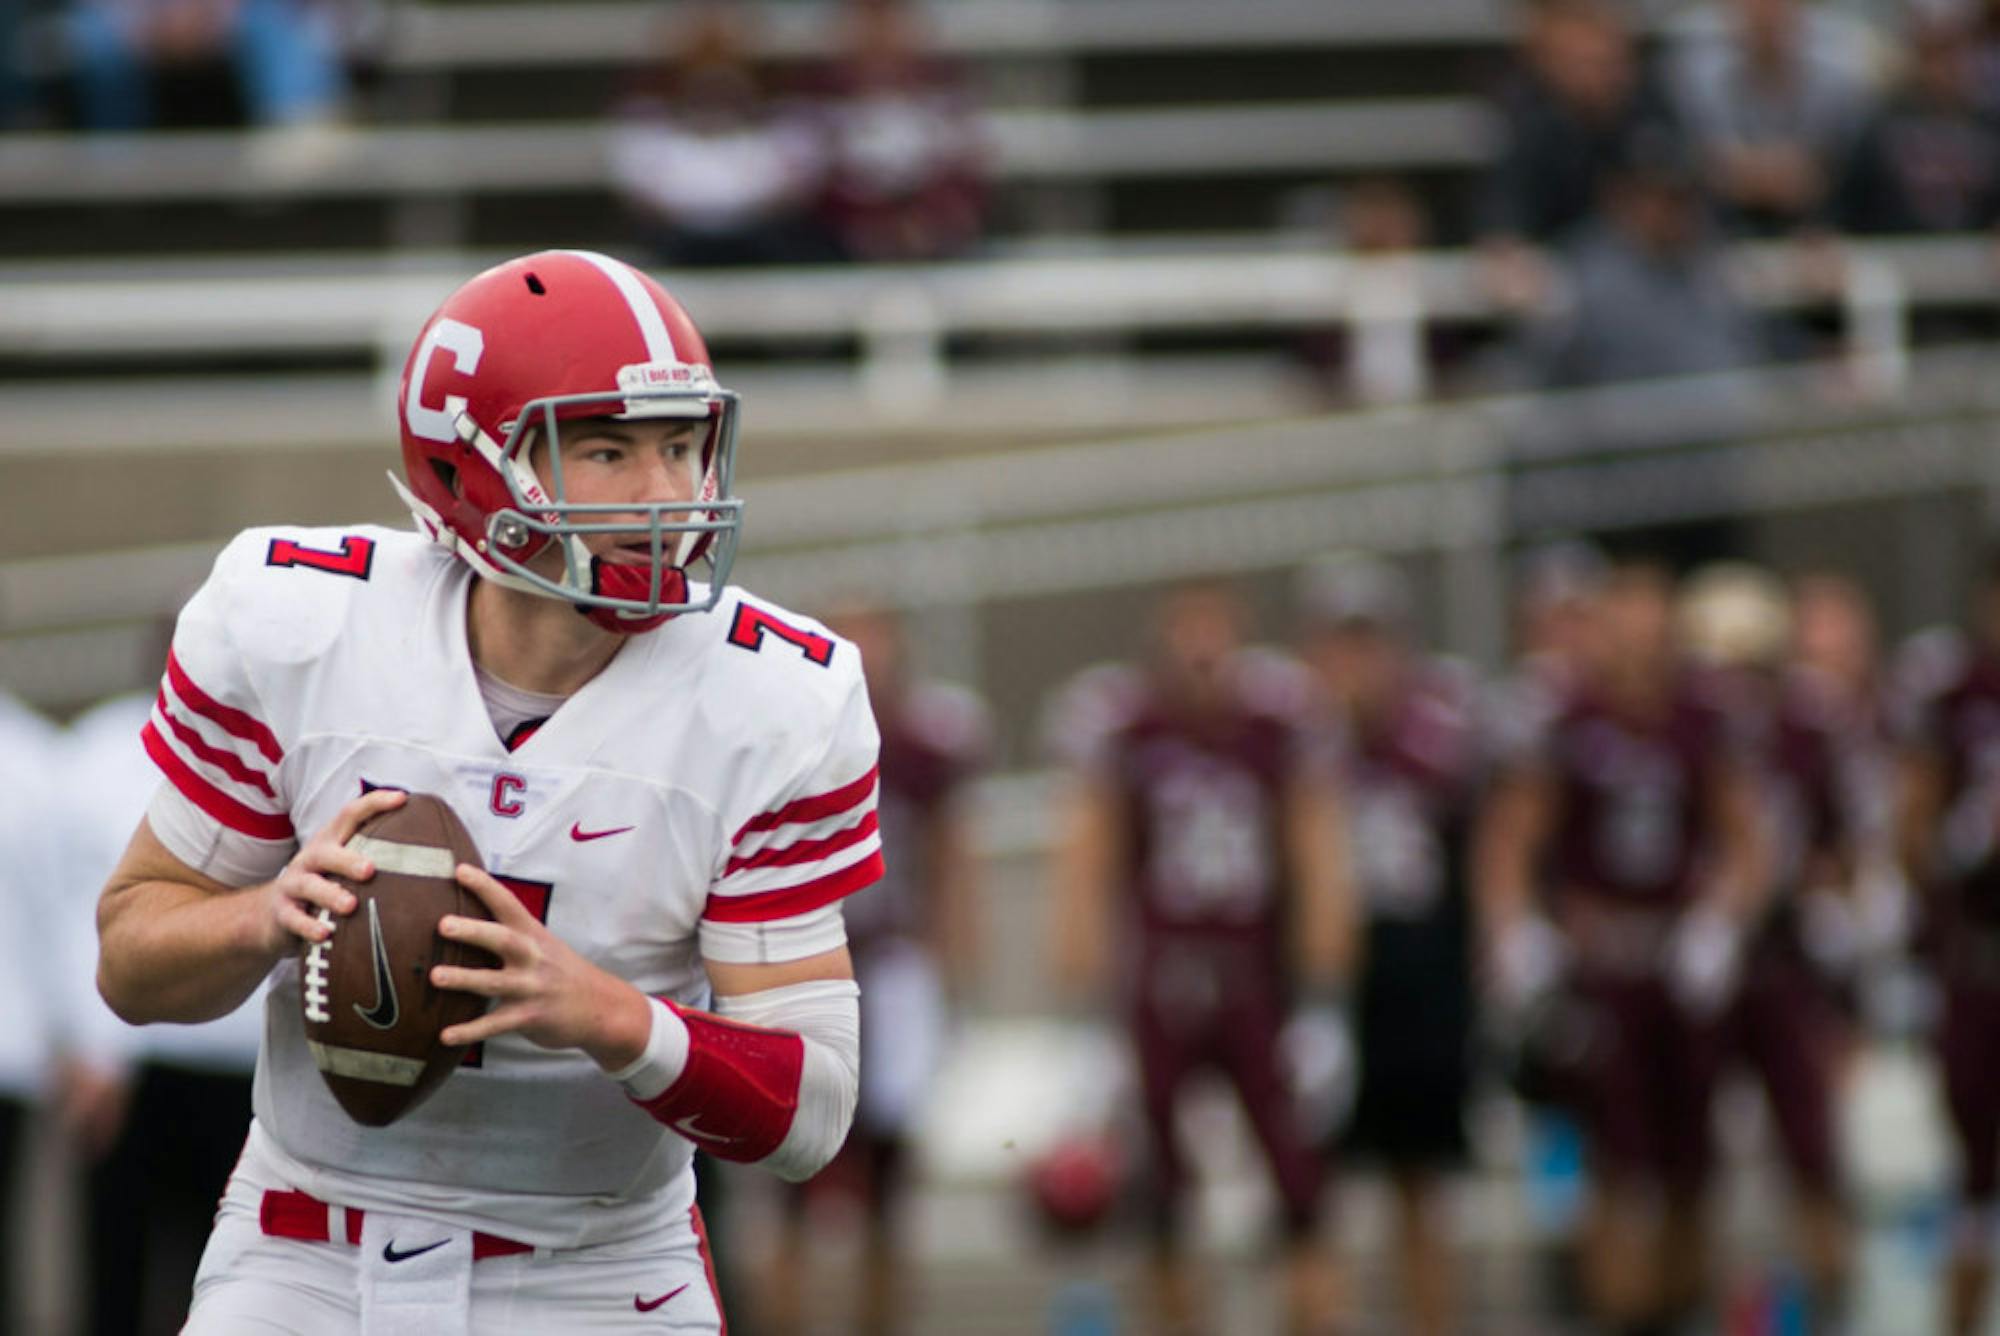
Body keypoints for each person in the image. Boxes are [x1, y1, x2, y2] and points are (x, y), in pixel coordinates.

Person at [92, 249, 881, 1333]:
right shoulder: (300, 626)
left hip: (597, 1273)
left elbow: (810, 1111)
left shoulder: (771, 699)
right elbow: (131, 962)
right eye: (607, 449)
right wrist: (263, 917)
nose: (667, 495)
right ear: (469, 471)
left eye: (681, 444)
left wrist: (608, 1014)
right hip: (303, 1247)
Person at [1047, 581, 1354, 1336]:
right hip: (1162, 980)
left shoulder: (1279, 725)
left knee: (1299, 1190)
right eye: (1188, 632)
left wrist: (1325, 1001)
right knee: (1160, 1198)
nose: (1202, 652)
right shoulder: (1126, 728)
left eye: (1215, 632)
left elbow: (1319, 858)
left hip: (1257, 981)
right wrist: (1086, 1013)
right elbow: (1087, 865)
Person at [1478, 556, 1767, 1335]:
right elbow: (1513, 834)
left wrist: (1722, 921)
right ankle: (1616, 1317)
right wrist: (1515, 933)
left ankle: (1681, 1311)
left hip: (1677, 961)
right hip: (1601, 964)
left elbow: (1744, 834)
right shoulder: (1567, 718)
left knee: (1689, 1167)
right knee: (1612, 1165)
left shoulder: (1703, 717)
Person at [766, 599, 988, 1335]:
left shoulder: (924, 745)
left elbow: (951, 858)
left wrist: (952, 965)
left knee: (891, 1175)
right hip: (809, 959)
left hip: (892, 968)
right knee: (793, 1169)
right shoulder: (787, 735)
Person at [1295, 555, 1482, 1336]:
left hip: (1418, 973)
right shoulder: (1292, 739)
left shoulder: (1439, 732)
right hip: (1325, 981)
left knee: (1420, 1182)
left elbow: (1480, 857)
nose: (1355, 665)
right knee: (1307, 1191)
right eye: (1341, 644)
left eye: (1368, 643)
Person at [1676, 563, 1856, 1331]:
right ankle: (1705, 1314)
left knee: (1814, 1158)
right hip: (1696, 970)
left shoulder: (1810, 728)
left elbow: (1841, 844)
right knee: (1689, 1169)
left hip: (1786, 964)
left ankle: (1828, 1313)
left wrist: (1832, 902)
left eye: (1750, 663)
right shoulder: (1676, 731)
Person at [56, 686, 265, 1336]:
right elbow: (77, 907)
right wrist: (92, 1047)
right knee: (120, 1270)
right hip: (139, 1056)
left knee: (230, 1277)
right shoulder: (98, 751)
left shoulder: (281, 735)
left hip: (246, 1061)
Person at [1894, 548, 2000, 1336]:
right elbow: (1912, 833)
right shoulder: (1955, 695)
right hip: (1981, 963)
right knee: (1977, 1175)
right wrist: (1957, 845)